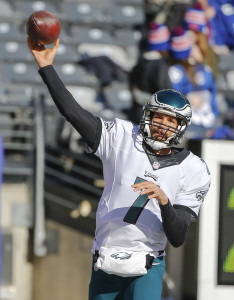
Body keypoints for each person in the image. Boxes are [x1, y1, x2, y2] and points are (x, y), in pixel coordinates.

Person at [27, 37, 211, 300]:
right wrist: (46, 68)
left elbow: (178, 235)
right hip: (106, 257)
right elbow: (74, 113)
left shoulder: (194, 168)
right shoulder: (122, 137)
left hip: (148, 263)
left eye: (171, 120)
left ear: (181, 126)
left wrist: (164, 200)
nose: (162, 125)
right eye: (158, 116)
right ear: (147, 116)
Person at [128, 22, 172, 124]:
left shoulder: (141, 61)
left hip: (138, 112)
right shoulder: (160, 65)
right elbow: (166, 92)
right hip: (154, 117)